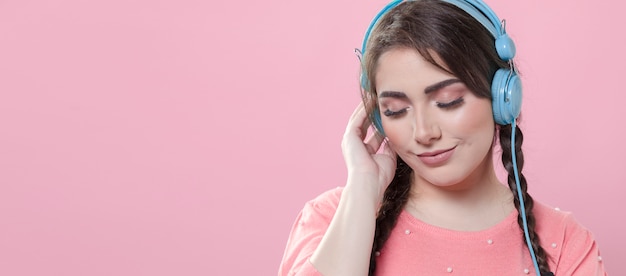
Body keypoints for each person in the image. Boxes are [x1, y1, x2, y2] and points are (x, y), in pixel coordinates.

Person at [279, 0, 608, 275]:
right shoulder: (334, 217)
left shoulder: (565, 243)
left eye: (448, 102)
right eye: (395, 110)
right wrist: (363, 190)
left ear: (503, 98)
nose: (424, 132)